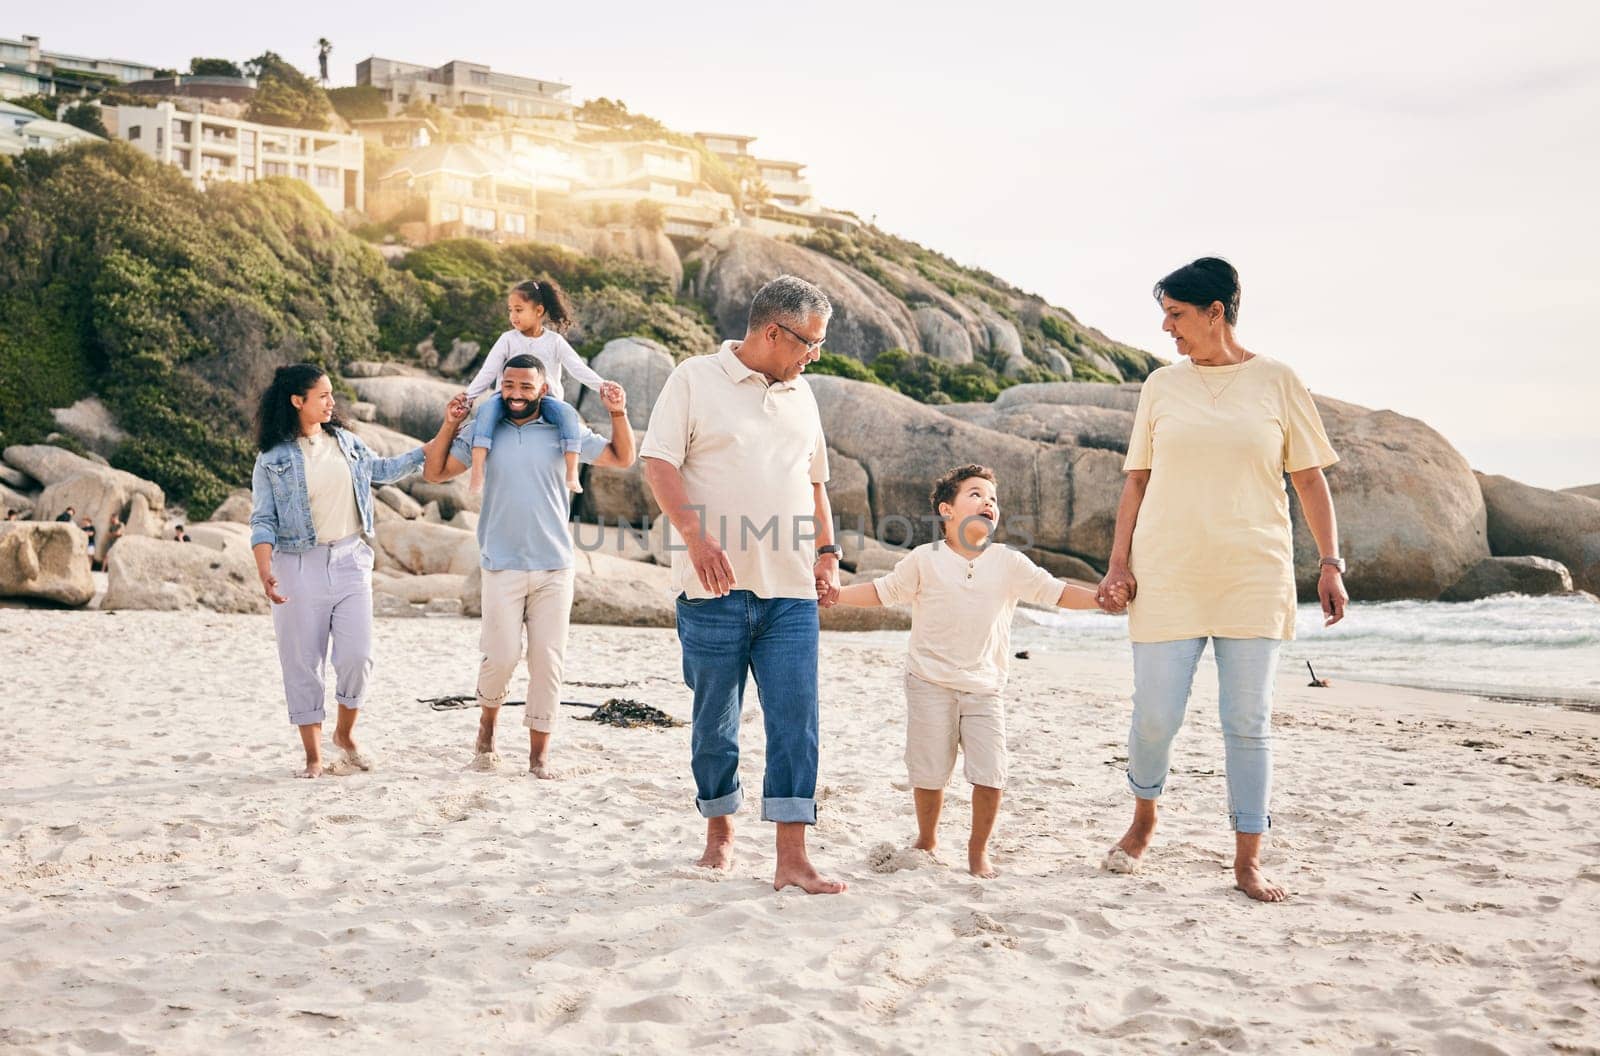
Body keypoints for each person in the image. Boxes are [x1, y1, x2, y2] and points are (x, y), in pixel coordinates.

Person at [1095, 257, 1347, 902]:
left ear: (1216, 312)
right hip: (1168, 572)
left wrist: (1329, 563)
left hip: (1252, 574)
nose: (1166, 327)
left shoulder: (1277, 380)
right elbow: (1137, 479)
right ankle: (1144, 817)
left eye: (1176, 314)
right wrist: (1118, 563)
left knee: (1248, 720)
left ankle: (1246, 859)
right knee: (1155, 716)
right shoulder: (1160, 385)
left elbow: (1309, 477)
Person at [640, 274, 847, 896]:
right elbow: (658, 462)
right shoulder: (694, 378)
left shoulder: (802, 395)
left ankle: (792, 857)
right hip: (713, 591)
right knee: (714, 723)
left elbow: (816, 484)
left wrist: (829, 554)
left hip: (790, 593)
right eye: (811, 342)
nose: (815, 354)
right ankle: (719, 836)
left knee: (796, 722)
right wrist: (697, 539)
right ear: (773, 332)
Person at [826, 464, 1102, 877]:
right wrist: (836, 595)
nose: (988, 502)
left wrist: (1102, 598)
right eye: (975, 494)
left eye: (993, 498)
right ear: (947, 511)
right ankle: (928, 837)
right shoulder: (925, 560)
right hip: (929, 682)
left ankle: (978, 851)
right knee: (929, 771)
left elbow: (1057, 592)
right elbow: (883, 592)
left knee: (991, 774)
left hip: (984, 687)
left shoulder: (1009, 562)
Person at [423, 356, 633, 776]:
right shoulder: (486, 431)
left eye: (526, 387)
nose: (517, 395)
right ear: (501, 385)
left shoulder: (563, 429)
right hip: (501, 565)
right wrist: (449, 423)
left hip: (555, 566)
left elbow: (621, 458)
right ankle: (487, 726)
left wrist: (617, 412)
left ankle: (539, 757)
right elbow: (434, 472)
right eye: (510, 386)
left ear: (543, 389)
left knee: (547, 662)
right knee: (500, 657)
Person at [249, 363, 452, 778]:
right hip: (296, 564)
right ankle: (313, 756)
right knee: (302, 662)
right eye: (322, 395)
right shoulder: (272, 459)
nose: (331, 402)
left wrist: (426, 450)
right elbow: (262, 520)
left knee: (358, 658)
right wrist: (265, 568)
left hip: (350, 561)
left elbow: (381, 472)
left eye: (330, 394)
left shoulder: (346, 443)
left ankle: (344, 734)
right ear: (296, 401)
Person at [460, 278, 610, 496]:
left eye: (519, 310)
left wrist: (603, 386)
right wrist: (468, 397)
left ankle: (570, 472)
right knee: (485, 412)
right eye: (510, 310)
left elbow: (578, 368)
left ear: (538, 310)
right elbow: (488, 372)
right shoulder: (507, 339)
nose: (513, 316)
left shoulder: (555, 342)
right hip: (507, 397)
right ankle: (477, 474)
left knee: (568, 414)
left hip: (546, 400)